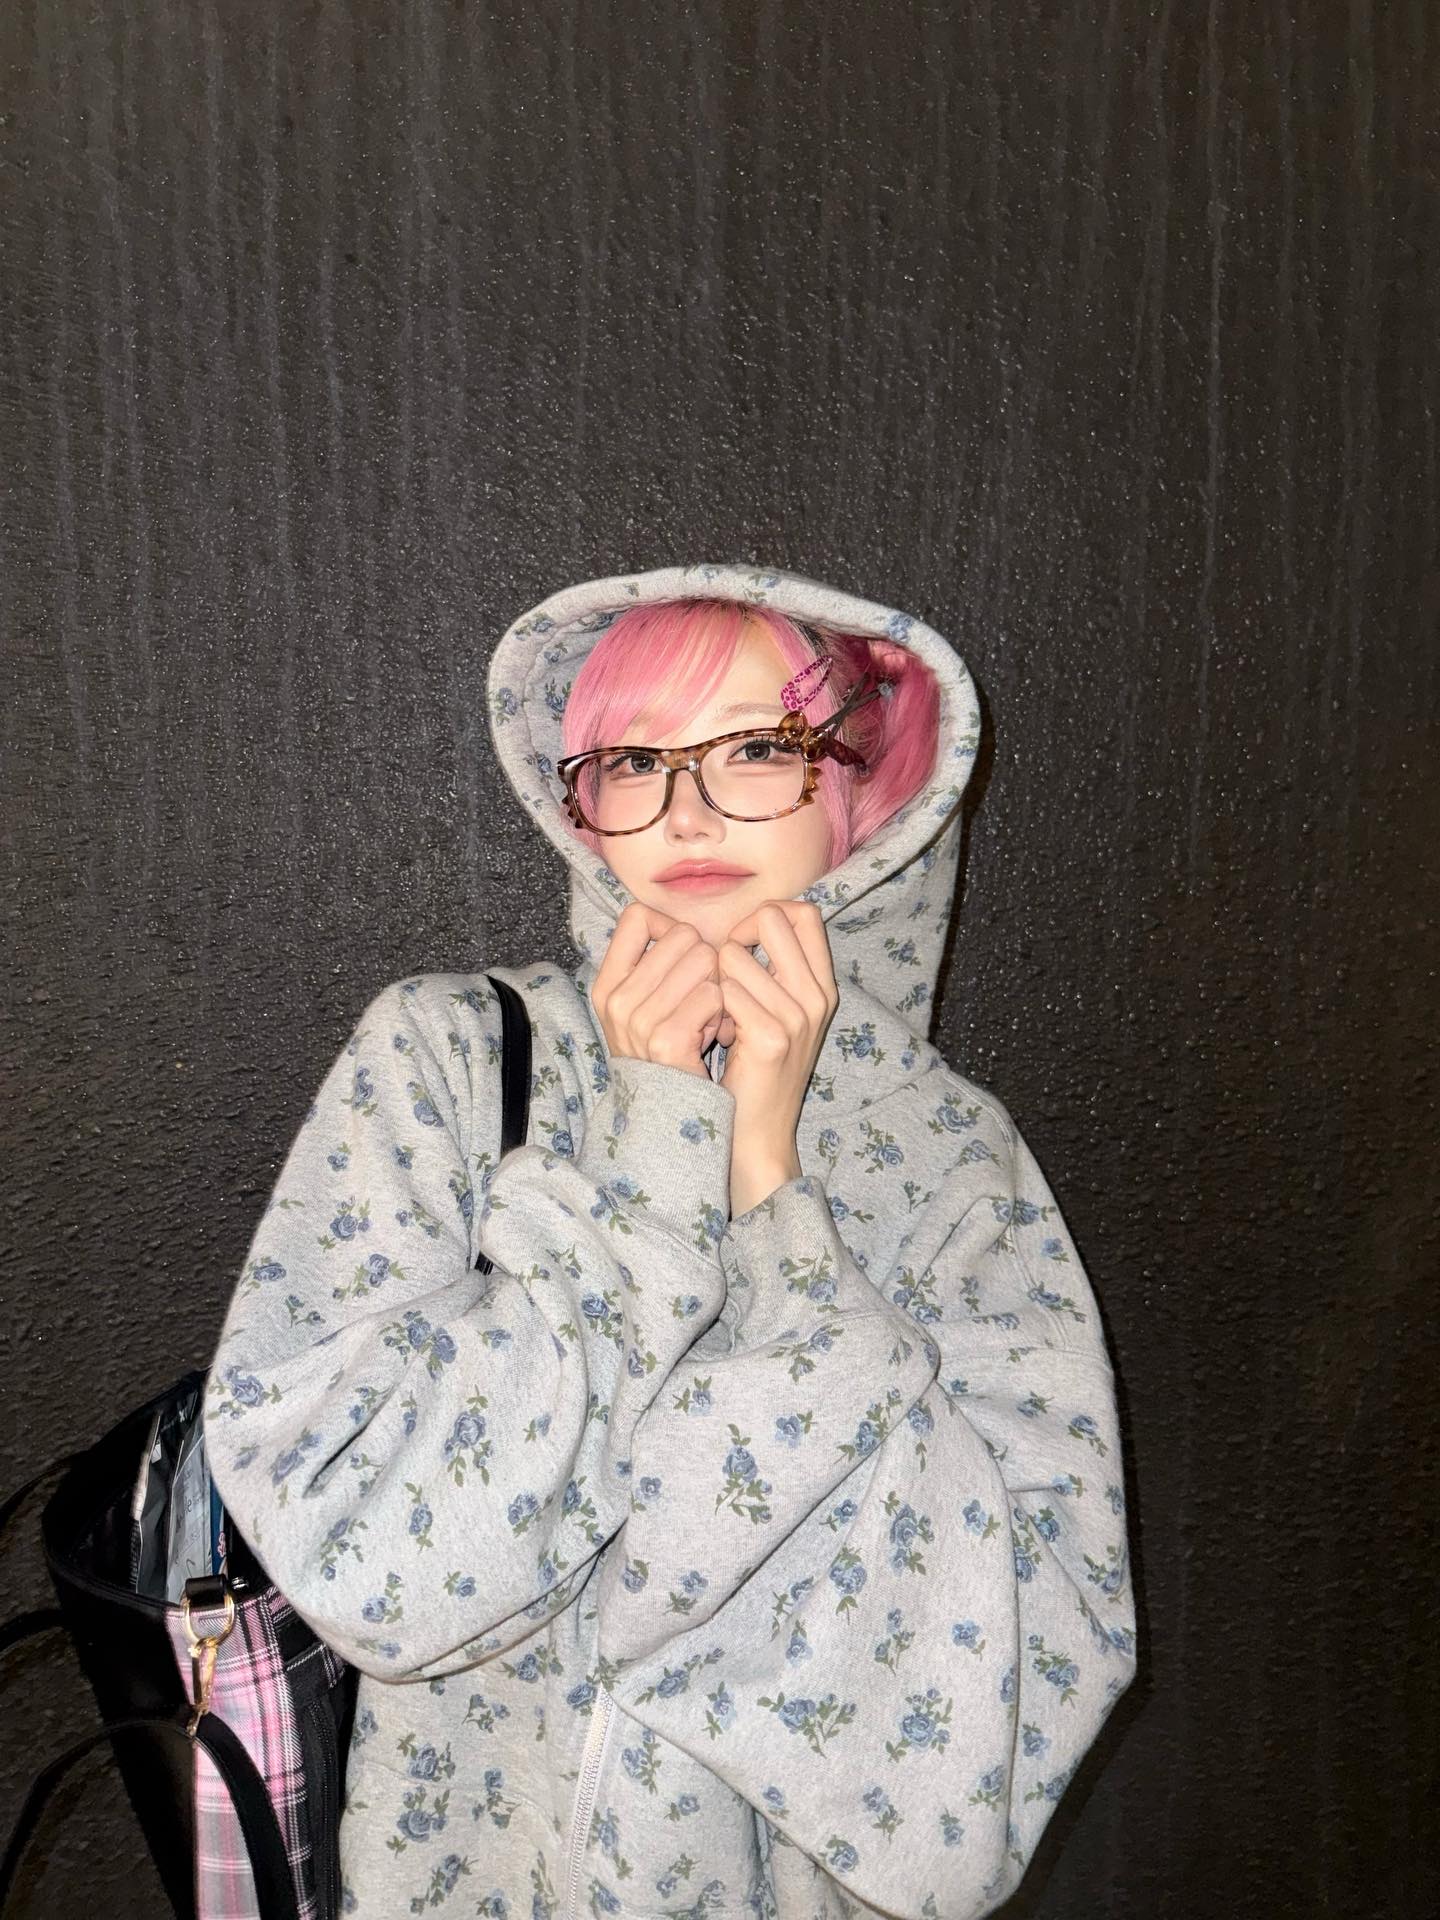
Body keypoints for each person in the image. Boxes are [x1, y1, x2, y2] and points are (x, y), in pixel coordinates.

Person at [203, 562, 1136, 1920]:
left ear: (864, 784)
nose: (688, 809)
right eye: (636, 761)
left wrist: (768, 1188)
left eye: (758, 749)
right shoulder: (450, 1060)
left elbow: (1003, 1718)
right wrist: (650, 1156)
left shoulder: (950, 1154)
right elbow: (376, 1559)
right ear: (581, 800)